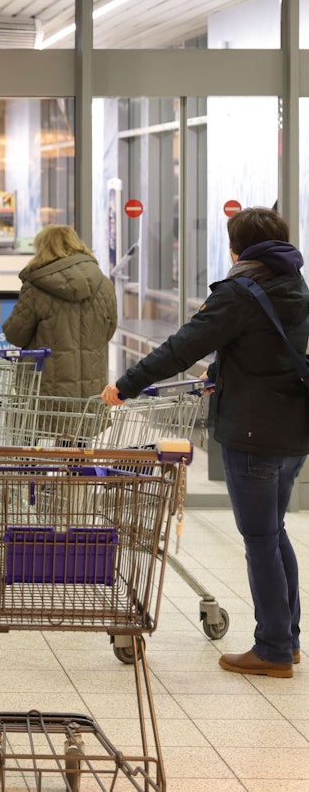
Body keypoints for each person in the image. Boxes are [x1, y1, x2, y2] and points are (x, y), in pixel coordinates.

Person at [102, 206, 309, 678]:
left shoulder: (239, 292)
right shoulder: (295, 284)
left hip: (253, 432)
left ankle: (274, 648)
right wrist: (221, 372)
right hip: (292, 429)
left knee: (261, 539)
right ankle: (287, 637)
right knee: (273, 532)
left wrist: (125, 384)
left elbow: (181, 347)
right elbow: (270, 348)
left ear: (238, 248)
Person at [2, 224, 118, 397]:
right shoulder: (104, 284)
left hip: (45, 391)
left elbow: (15, 335)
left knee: (50, 424)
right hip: (92, 390)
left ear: (43, 248)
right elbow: (108, 331)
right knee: (86, 424)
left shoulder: (36, 288)